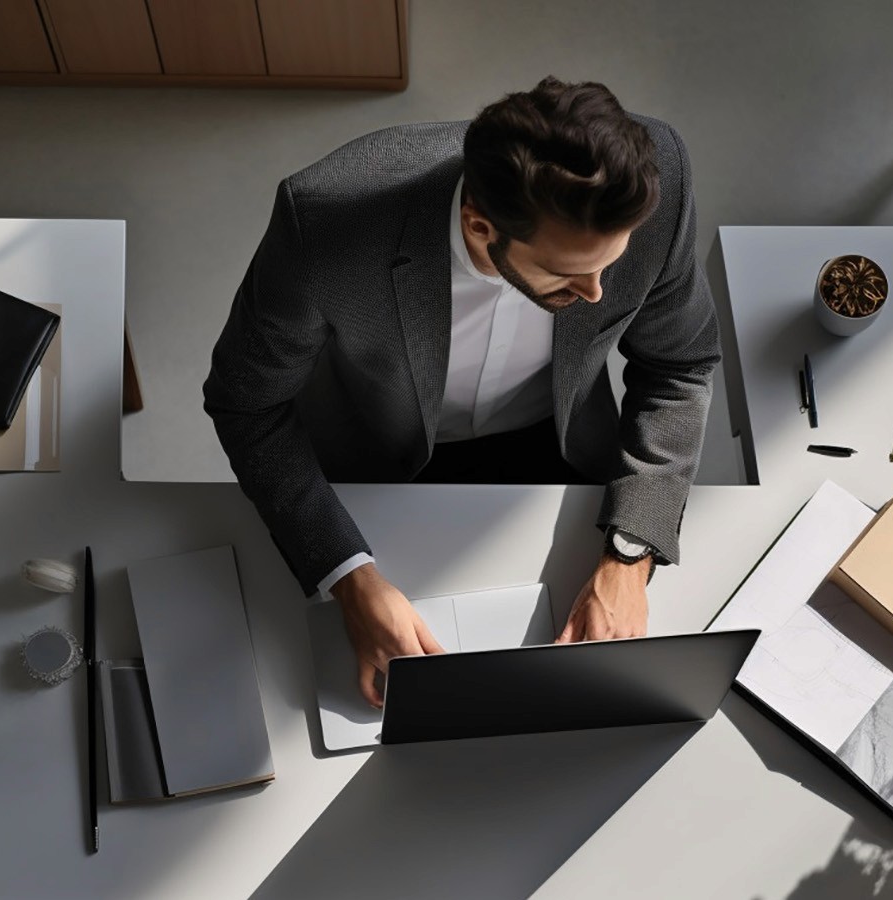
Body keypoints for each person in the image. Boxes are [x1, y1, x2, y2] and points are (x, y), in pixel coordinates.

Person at [204, 76, 720, 707]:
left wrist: (630, 553)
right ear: (480, 226)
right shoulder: (325, 224)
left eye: (609, 264)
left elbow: (679, 365)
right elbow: (247, 401)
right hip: (374, 465)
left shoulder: (656, 182)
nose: (597, 295)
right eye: (568, 272)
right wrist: (346, 576)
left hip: (557, 450)